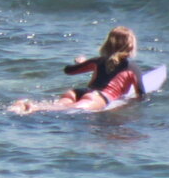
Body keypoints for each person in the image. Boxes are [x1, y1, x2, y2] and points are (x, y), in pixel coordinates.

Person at [11, 26, 145, 114]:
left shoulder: (97, 61)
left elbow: (69, 71)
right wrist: (126, 105)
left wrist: (82, 62)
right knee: (64, 110)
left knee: (59, 106)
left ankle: (23, 105)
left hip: (79, 92)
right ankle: (33, 107)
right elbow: (141, 95)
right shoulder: (132, 68)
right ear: (130, 46)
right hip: (99, 98)